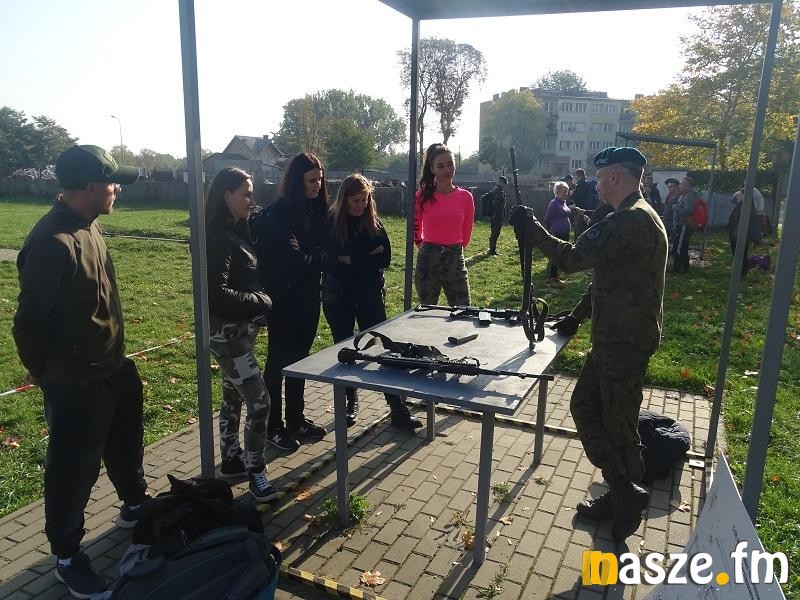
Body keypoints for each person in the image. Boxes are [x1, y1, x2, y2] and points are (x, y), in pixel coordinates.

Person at [509, 146, 668, 543]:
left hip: (622, 341)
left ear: (615, 176)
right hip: (619, 337)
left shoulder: (629, 220)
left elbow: (572, 258)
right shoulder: (640, 216)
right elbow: (607, 279)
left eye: (599, 178)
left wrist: (532, 229)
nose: (596, 185)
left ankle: (626, 494)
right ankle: (622, 488)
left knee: (619, 423)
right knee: (587, 407)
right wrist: (578, 316)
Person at [12, 145, 146, 598]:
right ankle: (67, 556)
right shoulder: (51, 243)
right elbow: (29, 323)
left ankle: (134, 506)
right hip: (76, 383)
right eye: (112, 182)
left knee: (126, 447)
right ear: (90, 186)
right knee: (72, 472)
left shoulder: (91, 225)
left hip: (113, 369)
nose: (117, 189)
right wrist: (46, 372)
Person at [322, 174, 422, 429]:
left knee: (382, 347)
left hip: (369, 294)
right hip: (339, 297)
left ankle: (397, 406)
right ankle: (350, 401)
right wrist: (365, 258)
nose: (361, 205)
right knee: (345, 350)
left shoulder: (373, 222)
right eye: (355, 200)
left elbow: (385, 257)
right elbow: (331, 262)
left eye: (365, 199)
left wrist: (352, 259)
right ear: (344, 199)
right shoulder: (331, 223)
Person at [205, 167, 277, 502]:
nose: (252, 200)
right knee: (260, 402)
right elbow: (215, 294)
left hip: (240, 332)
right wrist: (260, 301)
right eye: (246, 194)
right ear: (227, 195)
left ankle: (231, 459)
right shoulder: (218, 239)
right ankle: (255, 470)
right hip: (228, 336)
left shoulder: (236, 232)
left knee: (232, 397)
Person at [251, 153, 328, 453]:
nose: (318, 185)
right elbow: (286, 261)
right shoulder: (279, 213)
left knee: (300, 359)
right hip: (283, 298)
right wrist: (310, 256)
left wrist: (307, 254)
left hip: (309, 296)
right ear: (297, 181)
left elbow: (326, 254)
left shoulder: (316, 210)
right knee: (278, 361)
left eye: (320, 179)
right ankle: (273, 426)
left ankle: (296, 419)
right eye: (311, 180)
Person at [413, 143, 475, 305]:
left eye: (450, 164)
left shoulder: (465, 197)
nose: (447, 170)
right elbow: (415, 225)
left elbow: (467, 232)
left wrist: (454, 250)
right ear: (432, 169)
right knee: (427, 310)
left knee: (463, 309)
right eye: (440, 166)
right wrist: (424, 246)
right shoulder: (422, 196)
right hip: (428, 259)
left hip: (455, 259)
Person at [543, 181, 572, 288]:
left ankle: (555, 277)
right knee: (555, 255)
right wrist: (551, 231)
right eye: (564, 192)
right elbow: (547, 219)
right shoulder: (554, 203)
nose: (566, 194)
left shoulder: (563, 202)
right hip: (557, 233)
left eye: (567, 192)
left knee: (560, 256)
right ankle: (550, 279)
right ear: (557, 192)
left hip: (564, 233)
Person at [671, 176, 699, 273]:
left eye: (682, 184)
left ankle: (679, 268)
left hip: (684, 225)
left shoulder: (689, 197)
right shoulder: (683, 195)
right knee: (681, 245)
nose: (680, 185)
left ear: (688, 186)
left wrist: (676, 208)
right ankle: (683, 266)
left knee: (680, 246)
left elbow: (688, 211)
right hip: (680, 225)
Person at [487, 175, 508, 255]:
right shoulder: (498, 191)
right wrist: (496, 214)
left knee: (494, 232)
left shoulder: (495, 189)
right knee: (495, 232)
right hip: (497, 215)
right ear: (501, 182)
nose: (505, 185)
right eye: (504, 183)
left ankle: (492, 249)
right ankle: (492, 250)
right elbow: (496, 204)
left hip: (495, 214)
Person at [570, 169, 592, 237]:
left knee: (578, 229)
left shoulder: (580, 184)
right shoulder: (588, 183)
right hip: (587, 209)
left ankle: (578, 241)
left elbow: (575, 197)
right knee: (586, 228)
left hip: (579, 209)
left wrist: (572, 193)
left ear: (578, 175)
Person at [661, 178, 680, 243]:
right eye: (668, 187)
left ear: (676, 187)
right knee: (664, 238)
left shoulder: (679, 197)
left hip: (672, 221)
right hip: (666, 220)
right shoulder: (669, 195)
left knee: (673, 239)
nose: (669, 188)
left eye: (671, 187)